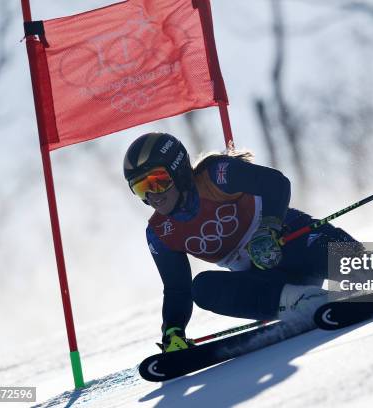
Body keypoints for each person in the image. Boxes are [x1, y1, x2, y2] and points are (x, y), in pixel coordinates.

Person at [123, 132, 359, 352]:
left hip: (294, 244)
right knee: (202, 288)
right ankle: (300, 301)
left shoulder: (216, 176)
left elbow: (276, 183)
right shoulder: (160, 232)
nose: (153, 195)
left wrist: (268, 227)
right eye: (141, 188)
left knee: (321, 248)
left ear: (178, 171)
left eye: (158, 181)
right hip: (268, 283)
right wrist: (173, 331)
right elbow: (177, 289)